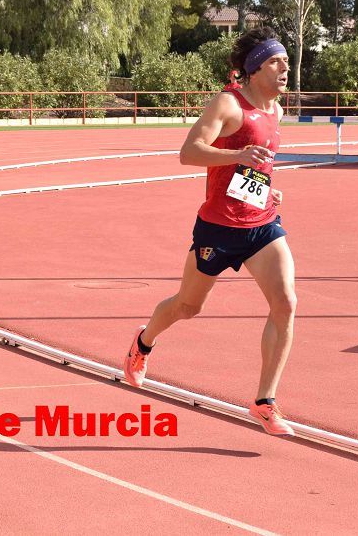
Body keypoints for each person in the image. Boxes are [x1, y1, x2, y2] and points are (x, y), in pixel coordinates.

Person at [122, 27, 298, 436]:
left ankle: (264, 401)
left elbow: (255, 169)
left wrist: (270, 192)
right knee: (187, 307)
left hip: (261, 226)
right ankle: (143, 343)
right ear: (255, 69)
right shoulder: (228, 104)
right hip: (218, 228)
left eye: (286, 61)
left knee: (286, 302)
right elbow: (188, 152)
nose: (284, 67)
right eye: (275, 61)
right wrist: (237, 152)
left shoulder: (276, 110)